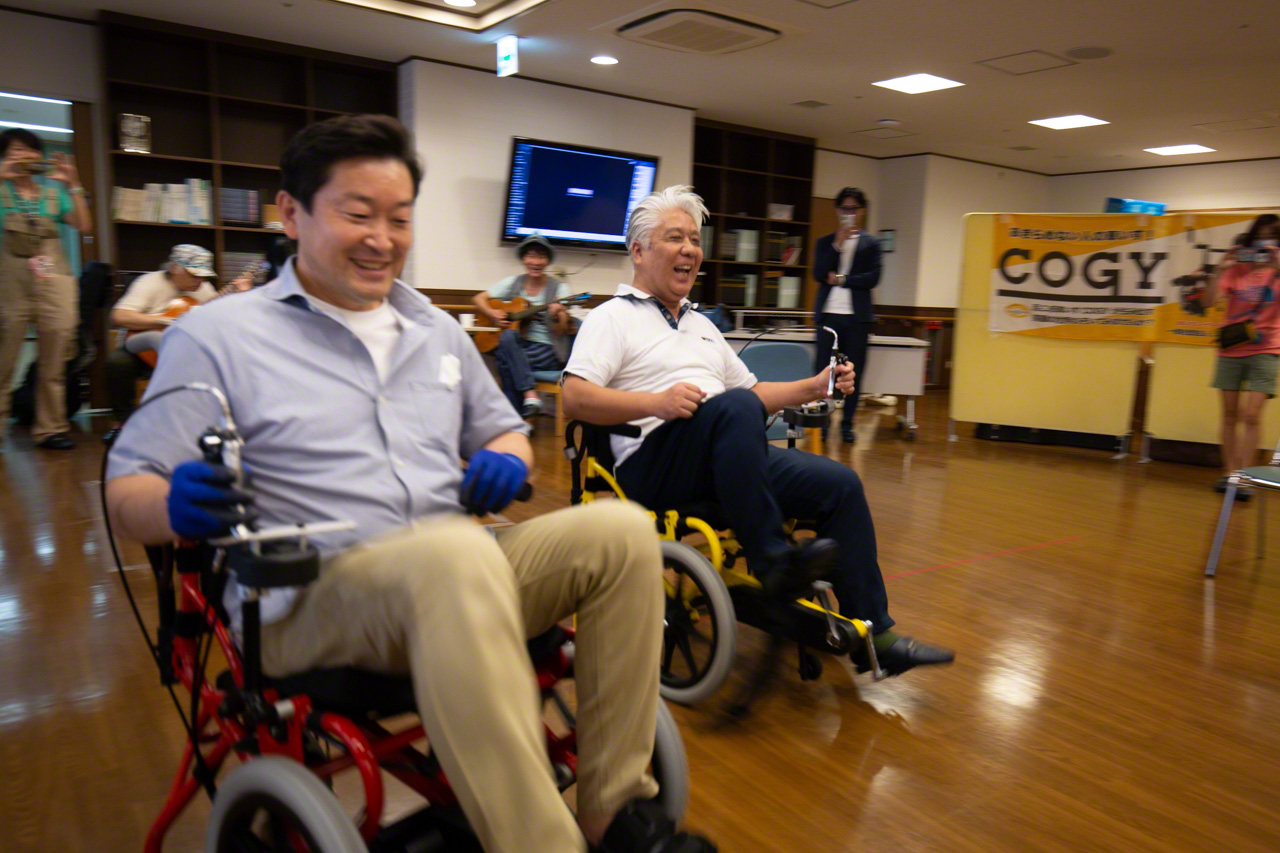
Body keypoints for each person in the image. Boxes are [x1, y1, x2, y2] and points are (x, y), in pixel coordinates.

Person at [105, 115, 710, 853]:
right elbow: (124, 489)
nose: (382, 237)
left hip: (458, 568)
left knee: (618, 533)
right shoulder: (218, 334)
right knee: (450, 556)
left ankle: (613, 811)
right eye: (357, 214)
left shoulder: (435, 328)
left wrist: (510, 456)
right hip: (310, 596)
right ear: (291, 213)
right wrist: (169, 504)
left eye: (398, 218)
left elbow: (503, 428)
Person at [562, 185, 952, 677]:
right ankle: (772, 564)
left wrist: (815, 385)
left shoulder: (702, 325)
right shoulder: (610, 319)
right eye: (674, 238)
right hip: (656, 462)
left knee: (840, 484)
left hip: (727, 453)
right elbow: (574, 398)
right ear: (638, 251)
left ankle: (877, 634)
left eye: (694, 240)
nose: (690, 249)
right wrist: (656, 402)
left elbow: (752, 395)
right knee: (736, 407)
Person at [0, 128, 92, 449]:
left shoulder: (53, 194)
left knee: (54, 358)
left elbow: (83, 225)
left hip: (55, 282)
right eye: (14, 152)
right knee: (4, 357)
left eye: (29, 151)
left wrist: (73, 183)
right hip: (11, 282)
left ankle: (51, 428)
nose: (23, 157)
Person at [103, 244, 231, 444]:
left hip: (184, 351)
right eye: (193, 274)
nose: (200, 280)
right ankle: (123, 424)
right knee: (117, 363)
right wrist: (161, 320)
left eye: (203, 276)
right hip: (144, 350)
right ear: (174, 268)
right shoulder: (148, 283)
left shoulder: (204, 289)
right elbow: (119, 316)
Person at [1201, 213, 1280, 500]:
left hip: (1267, 348)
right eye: (1260, 235)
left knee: (1252, 414)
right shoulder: (1237, 269)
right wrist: (1221, 269)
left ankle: (1246, 477)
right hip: (1231, 348)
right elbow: (1209, 301)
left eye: (1272, 236)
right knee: (1230, 414)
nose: (1265, 241)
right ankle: (1230, 473)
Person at [472, 234, 573, 417]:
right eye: (531, 256)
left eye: (541, 257)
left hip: (547, 349)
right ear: (523, 259)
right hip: (519, 346)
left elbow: (564, 329)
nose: (536, 262)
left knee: (504, 360)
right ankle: (528, 402)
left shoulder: (559, 289)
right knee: (508, 338)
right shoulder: (513, 283)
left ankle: (516, 417)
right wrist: (492, 313)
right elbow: (479, 299)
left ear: (547, 261)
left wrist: (558, 314)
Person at [811, 187, 881, 443]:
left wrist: (842, 279)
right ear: (837, 211)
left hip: (857, 317)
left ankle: (848, 424)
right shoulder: (825, 242)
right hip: (829, 315)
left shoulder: (871, 244)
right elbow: (818, 273)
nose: (848, 214)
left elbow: (873, 278)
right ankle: (825, 422)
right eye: (844, 209)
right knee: (824, 371)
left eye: (853, 209)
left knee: (854, 372)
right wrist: (837, 245)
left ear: (861, 212)